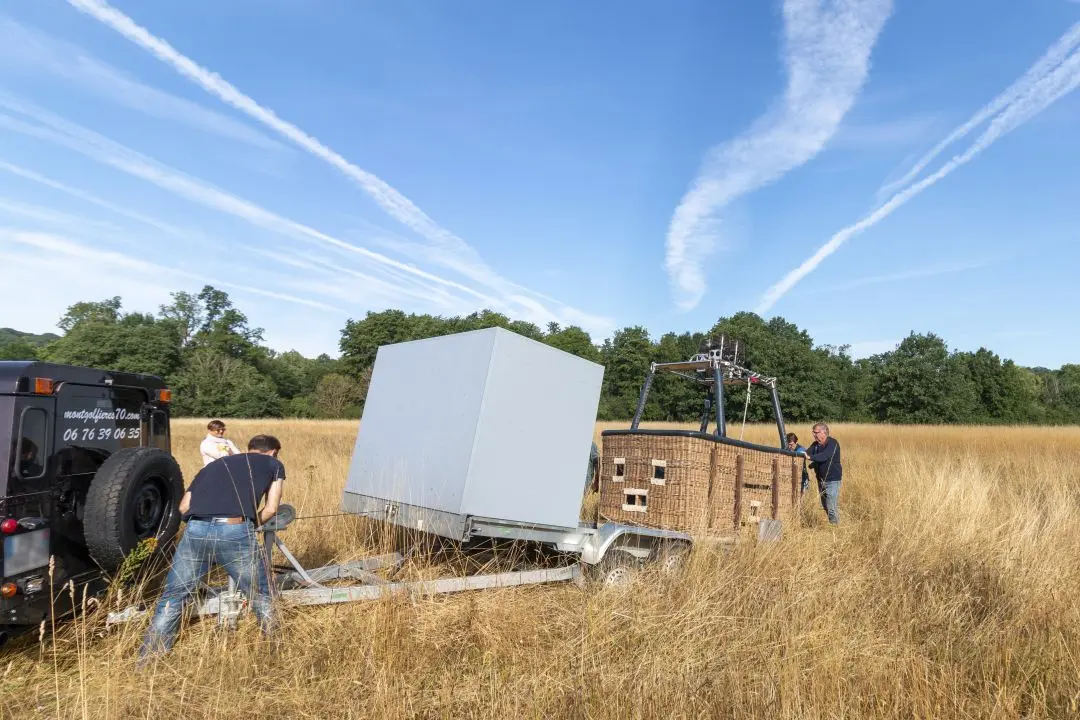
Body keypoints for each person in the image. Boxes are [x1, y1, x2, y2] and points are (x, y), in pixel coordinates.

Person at [138, 434, 286, 663]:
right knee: (261, 594)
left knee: (175, 595)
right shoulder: (274, 464)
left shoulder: (216, 463)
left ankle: (148, 659)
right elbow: (273, 507)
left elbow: (184, 506)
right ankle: (276, 653)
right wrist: (248, 524)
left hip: (196, 529)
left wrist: (203, 524)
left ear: (249, 448)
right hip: (235, 529)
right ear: (273, 452)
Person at [805, 422, 842, 525]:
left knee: (831, 507)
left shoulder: (833, 443)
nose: (814, 434)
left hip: (832, 480)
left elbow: (825, 456)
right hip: (820, 480)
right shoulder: (815, 445)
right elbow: (807, 452)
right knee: (825, 505)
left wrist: (811, 458)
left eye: (815, 432)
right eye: (813, 432)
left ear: (823, 432)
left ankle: (835, 528)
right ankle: (833, 524)